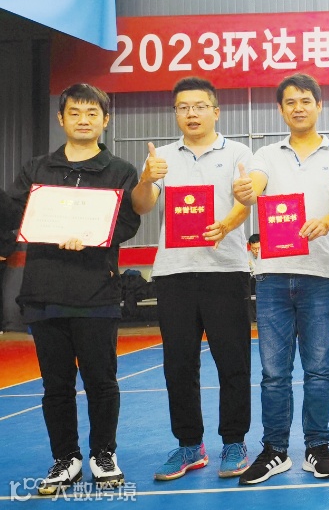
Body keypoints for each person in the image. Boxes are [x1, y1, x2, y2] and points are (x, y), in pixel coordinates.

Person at [0, 84, 141, 494]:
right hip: (44, 293)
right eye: (75, 112)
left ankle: (103, 454)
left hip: (97, 293)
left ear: (105, 120)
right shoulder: (36, 169)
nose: (83, 119)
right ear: (61, 119)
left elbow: (127, 223)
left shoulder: (121, 171)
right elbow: (16, 216)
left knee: (102, 381)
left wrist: (91, 237)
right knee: (55, 385)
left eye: (92, 113)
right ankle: (66, 458)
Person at [129, 77, 254, 481]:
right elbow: (142, 207)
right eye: (183, 107)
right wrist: (146, 178)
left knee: (233, 361)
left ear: (216, 111)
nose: (191, 113)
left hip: (226, 270)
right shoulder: (162, 157)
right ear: (176, 114)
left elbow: (247, 202)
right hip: (174, 273)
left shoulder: (238, 152)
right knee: (178, 365)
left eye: (199, 106)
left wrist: (232, 215)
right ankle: (189, 445)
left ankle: (234, 441)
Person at [232, 73, 329, 485]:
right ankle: (275, 450)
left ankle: (318, 447)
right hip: (271, 276)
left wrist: (327, 221)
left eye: (305, 100)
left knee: (318, 369)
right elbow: (256, 186)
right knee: (273, 372)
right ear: (281, 109)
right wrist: (247, 191)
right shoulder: (266, 154)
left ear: (319, 105)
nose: (298, 108)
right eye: (290, 102)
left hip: (320, 274)